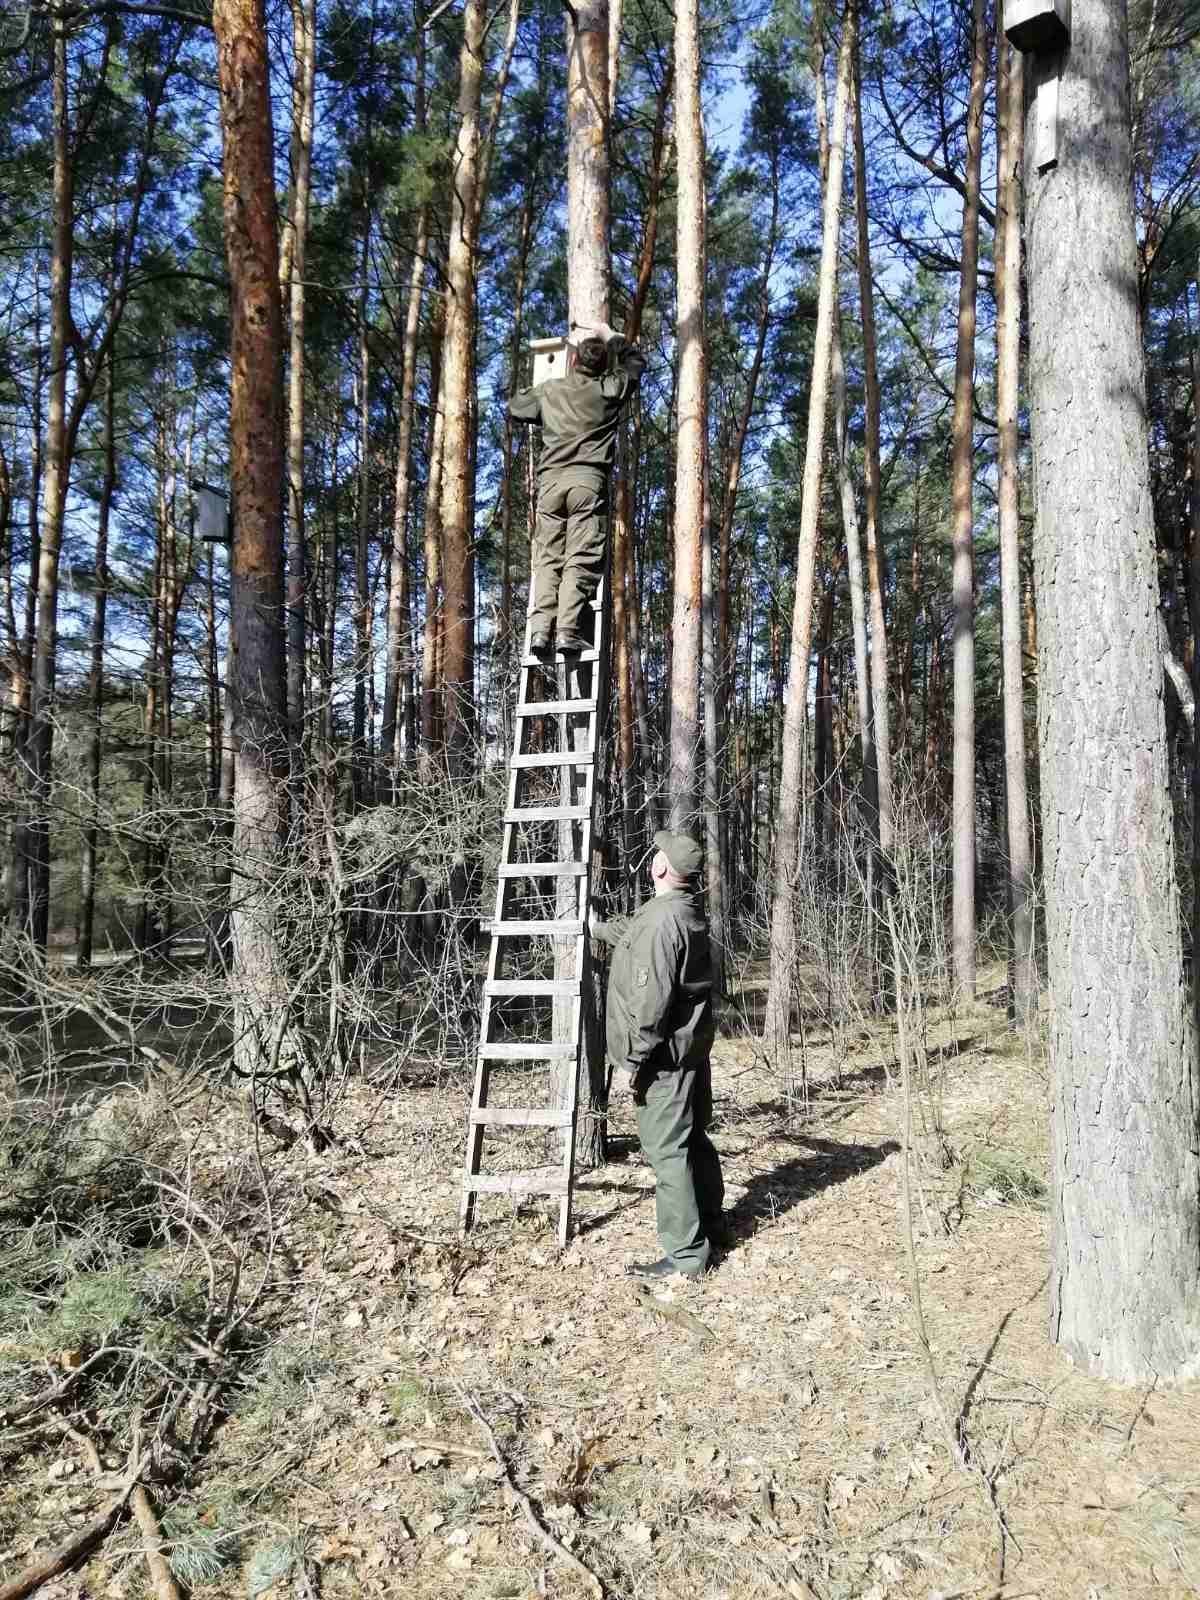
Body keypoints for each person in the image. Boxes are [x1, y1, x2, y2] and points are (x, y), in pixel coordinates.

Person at [589, 830, 727, 1280]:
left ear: (662, 868)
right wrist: (600, 929)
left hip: (663, 1062)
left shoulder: (664, 923)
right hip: (688, 1056)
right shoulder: (682, 913)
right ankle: (712, 1227)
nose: (652, 858)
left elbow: (651, 1005)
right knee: (693, 1142)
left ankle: (687, 1255)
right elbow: (640, 935)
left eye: (656, 854)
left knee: (669, 1152)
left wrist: (632, 1060)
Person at [509, 326, 644, 656]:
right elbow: (636, 363)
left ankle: (540, 632)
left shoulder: (550, 390)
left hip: (551, 483)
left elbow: (516, 406)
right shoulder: (608, 390)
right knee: (580, 558)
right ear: (602, 366)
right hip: (586, 481)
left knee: (548, 559)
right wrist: (614, 336)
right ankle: (567, 632)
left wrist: (542, 389)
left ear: (572, 361)